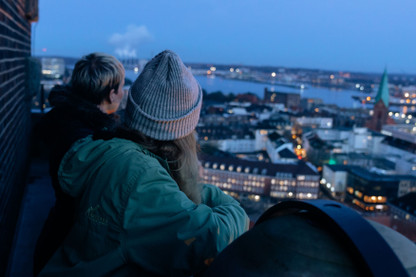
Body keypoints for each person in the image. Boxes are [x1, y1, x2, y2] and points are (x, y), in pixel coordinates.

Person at [39, 50, 249, 277]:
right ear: (182, 130)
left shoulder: (107, 148)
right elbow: (210, 240)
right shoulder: (141, 177)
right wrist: (234, 209)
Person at [34, 53, 125, 276]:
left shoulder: (64, 119)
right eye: (122, 87)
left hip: (55, 234)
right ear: (112, 94)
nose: (123, 93)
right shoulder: (93, 141)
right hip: (75, 247)